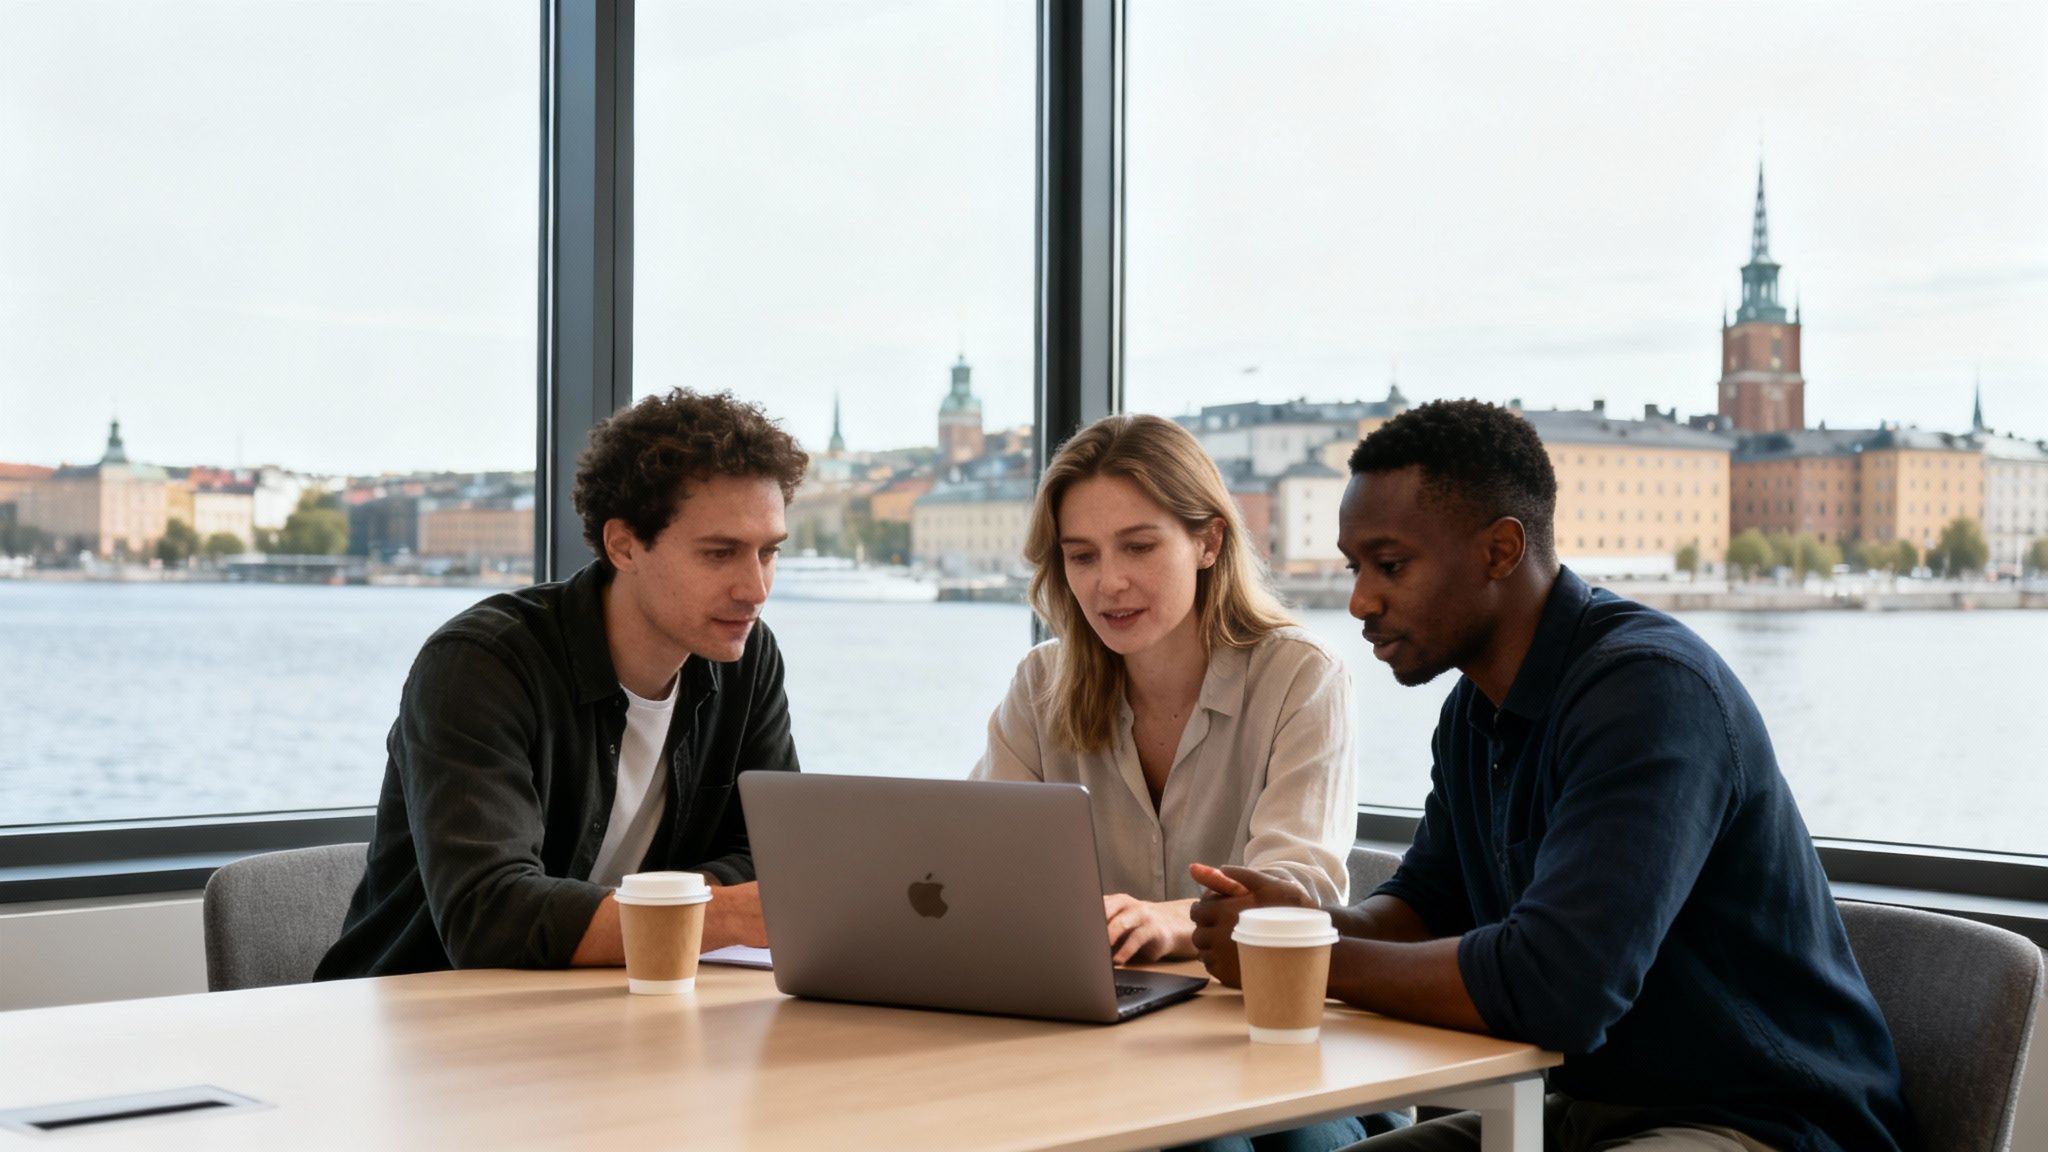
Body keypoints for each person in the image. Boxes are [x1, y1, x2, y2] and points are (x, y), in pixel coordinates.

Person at [1189, 400, 1911, 1152]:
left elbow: (1558, 990)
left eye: (1391, 565)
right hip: (1591, 1114)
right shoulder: (1475, 708)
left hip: (1765, 1124)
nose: (1360, 600)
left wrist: (1311, 960)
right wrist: (1300, 925)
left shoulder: (1650, 694)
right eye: (1355, 567)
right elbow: (1431, 904)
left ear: (1500, 550)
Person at [317, 389, 809, 980]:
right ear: (623, 545)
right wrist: (716, 910)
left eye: (768, 553)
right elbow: (491, 918)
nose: (755, 589)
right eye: (720, 553)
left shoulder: (747, 657)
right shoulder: (479, 665)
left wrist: (645, 908)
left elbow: (774, 860)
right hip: (420, 1022)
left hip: (608, 1007)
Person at [974, 413, 1357, 964]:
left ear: (1209, 541)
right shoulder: (1040, 684)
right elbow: (980, 862)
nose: (1109, 583)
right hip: (1079, 1010)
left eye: (1138, 547)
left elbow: (1297, 889)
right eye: (1083, 556)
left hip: (1238, 1018)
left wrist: (1172, 921)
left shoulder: (1302, 676)